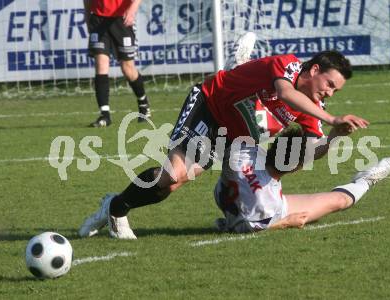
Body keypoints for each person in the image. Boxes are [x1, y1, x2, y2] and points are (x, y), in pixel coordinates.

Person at [79, 48, 369, 239]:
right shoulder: (288, 65)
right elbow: (284, 92)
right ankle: (117, 211)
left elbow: (310, 151)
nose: (330, 93)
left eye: (335, 90)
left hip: (227, 137)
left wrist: (332, 137)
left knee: (171, 185)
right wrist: (332, 118)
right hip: (207, 105)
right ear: (315, 70)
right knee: (173, 174)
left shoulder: (311, 109)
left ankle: (111, 203)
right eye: (330, 84)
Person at [213, 126, 390, 232]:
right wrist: (287, 222)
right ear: (295, 169)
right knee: (340, 201)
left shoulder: (244, 152)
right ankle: (367, 179)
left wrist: (333, 137)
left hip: (233, 199)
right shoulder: (269, 203)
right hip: (253, 210)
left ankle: (366, 178)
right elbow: (246, 229)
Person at [84, 0, 151, 127]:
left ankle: (143, 104)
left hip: (121, 19)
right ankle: (105, 115)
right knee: (101, 64)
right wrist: (87, 15)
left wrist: (132, 10)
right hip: (98, 19)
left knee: (127, 69)